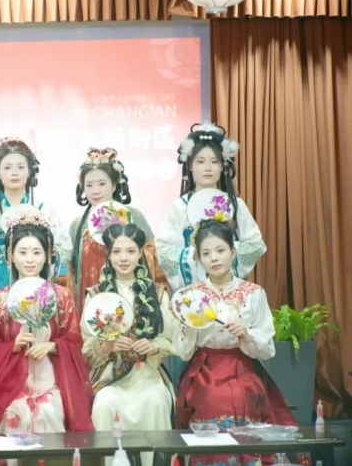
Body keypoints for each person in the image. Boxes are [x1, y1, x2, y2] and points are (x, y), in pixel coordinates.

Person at [172, 219, 304, 466]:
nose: (214, 258)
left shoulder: (254, 293)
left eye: (220, 250)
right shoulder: (191, 297)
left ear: (233, 252)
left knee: (246, 393)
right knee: (212, 397)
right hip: (204, 370)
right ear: (199, 259)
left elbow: (267, 349)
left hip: (244, 366)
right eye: (206, 253)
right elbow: (183, 351)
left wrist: (246, 334)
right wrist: (187, 323)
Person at [0, 211, 93, 434]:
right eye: (22, 252)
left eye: (37, 252)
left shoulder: (60, 296)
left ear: (47, 256)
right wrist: (12, 347)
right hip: (10, 379)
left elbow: (76, 341)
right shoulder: (0, 298)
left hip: (52, 377)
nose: (29, 259)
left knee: (49, 412)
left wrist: (53, 346)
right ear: (11, 256)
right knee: (14, 414)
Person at [82, 222, 174, 466]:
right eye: (117, 251)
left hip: (148, 375)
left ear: (141, 252)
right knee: (104, 403)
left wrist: (153, 347)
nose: (124, 258)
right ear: (108, 254)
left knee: (156, 401)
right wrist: (106, 347)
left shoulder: (157, 293)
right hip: (110, 376)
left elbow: (169, 338)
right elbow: (86, 344)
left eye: (131, 251)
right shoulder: (96, 295)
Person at [156, 123, 266, 291]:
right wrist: (197, 255)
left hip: (230, 290)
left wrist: (226, 252)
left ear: (222, 166)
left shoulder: (236, 205)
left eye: (214, 161)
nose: (207, 168)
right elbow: (165, 252)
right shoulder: (178, 207)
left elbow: (255, 245)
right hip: (192, 292)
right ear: (190, 165)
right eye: (200, 162)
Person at [0, 137, 71, 317]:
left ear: (30, 171)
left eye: (20, 167)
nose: (14, 173)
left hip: (37, 291)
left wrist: (51, 251)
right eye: (7, 167)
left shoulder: (44, 210)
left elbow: (65, 250)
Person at [69, 147, 167, 310]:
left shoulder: (134, 216)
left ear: (114, 185)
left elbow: (152, 256)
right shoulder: (78, 225)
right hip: (91, 297)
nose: (95, 191)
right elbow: (72, 273)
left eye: (102, 184)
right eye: (89, 185)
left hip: (130, 294)